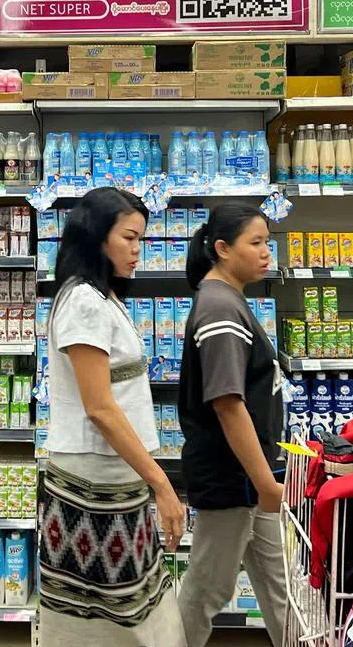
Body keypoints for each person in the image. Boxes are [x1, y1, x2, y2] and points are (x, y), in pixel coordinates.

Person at [39, 187, 187, 647]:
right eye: (129, 238)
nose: (138, 250)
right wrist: (161, 483)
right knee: (106, 615)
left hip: (114, 476)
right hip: (93, 480)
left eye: (141, 239)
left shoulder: (102, 298)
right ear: (97, 237)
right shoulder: (83, 302)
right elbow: (100, 407)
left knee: (127, 607)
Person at [176, 203, 287, 647]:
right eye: (255, 243)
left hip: (251, 477)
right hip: (235, 477)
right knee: (207, 589)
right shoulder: (220, 308)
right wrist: (264, 483)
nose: (266, 252)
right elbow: (227, 404)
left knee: (281, 585)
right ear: (222, 249)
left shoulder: (227, 298)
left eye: (267, 242)